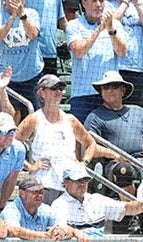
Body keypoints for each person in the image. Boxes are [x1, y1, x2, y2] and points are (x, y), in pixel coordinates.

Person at [17, 74, 118, 206]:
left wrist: (84, 163)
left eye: (60, 88)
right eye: (53, 88)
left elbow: (91, 144)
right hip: (44, 184)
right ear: (42, 92)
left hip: (70, 185)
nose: (58, 92)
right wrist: (29, 166)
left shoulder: (70, 119)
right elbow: (12, 144)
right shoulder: (34, 119)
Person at [65, 0, 127, 122]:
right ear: (84, 3)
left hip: (109, 93)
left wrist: (110, 30)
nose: (98, 4)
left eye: (101, 1)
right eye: (94, 1)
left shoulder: (115, 25)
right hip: (83, 95)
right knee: (81, 138)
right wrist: (99, 29)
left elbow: (122, 52)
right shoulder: (74, 25)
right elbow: (78, 52)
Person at [0, 0, 44, 117]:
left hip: (31, 76)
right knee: (11, 116)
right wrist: (12, 18)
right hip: (7, 77)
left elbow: (33, 34)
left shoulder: (32, 13)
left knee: (36, 115)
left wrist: (22, 16)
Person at [85, 69, 143, 161]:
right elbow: (90, 147)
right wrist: (114, 154)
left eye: (114, 86)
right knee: (124, 171)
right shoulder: (94, 117)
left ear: (123, 91)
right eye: (106, 87)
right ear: (101, 92)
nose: (109, 90)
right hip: (116, 163)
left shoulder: (138, 112)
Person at [107, 0, 143, 107]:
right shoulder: (107, 4)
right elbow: (110, 23)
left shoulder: (141, 4)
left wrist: (138, 5)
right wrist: (125, 2)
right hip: (115, 67)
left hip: (136, 68)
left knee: (134, 110)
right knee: (113, 109)